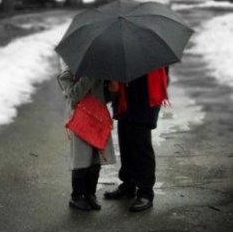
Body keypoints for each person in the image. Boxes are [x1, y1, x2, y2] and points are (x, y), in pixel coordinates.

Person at [104, 68, 169, 212]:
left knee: (140, 146)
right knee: (126, 143)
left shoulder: (152, 50)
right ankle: (128, 185)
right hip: (125, 100)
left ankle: (145, 192)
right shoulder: (122, 48)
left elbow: (161, 74)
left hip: (143, 100)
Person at [57, 68, 116, 211]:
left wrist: (111, 88)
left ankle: (90, 194)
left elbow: (104, 98)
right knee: (81, 159)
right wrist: (88, 77)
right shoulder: (67, 75)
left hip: (97, 118)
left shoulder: (99, 72)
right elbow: (75, 95)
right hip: (80, 120)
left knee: (95, 159)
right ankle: (76, 196)